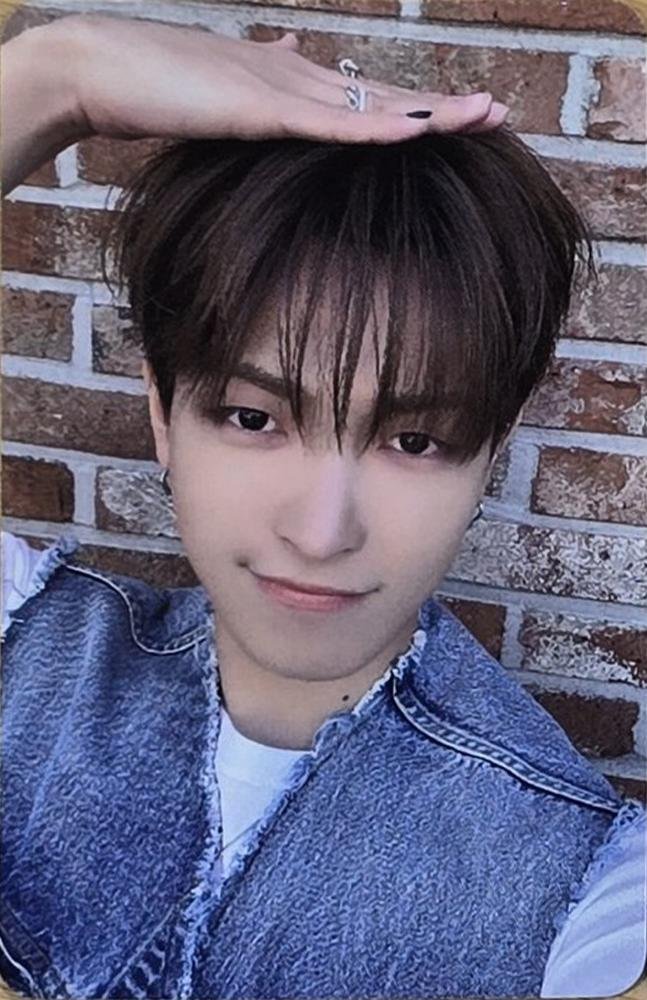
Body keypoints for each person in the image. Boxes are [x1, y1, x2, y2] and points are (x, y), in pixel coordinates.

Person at [1, 11, 644, 1000]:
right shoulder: (21, 638)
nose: (319, 530)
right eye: (253, 417)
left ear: (490, 451)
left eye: (414, 440)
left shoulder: (589, 889)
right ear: (163, 415)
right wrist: (59, 76)